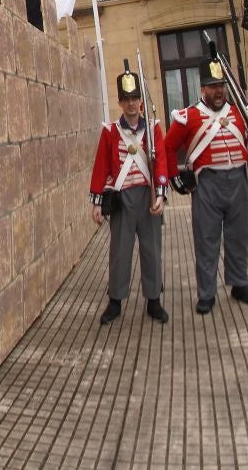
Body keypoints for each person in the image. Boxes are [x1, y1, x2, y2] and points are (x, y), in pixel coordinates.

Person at [162, 57, 248, 315]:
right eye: (212, 86)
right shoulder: (187, 116)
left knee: (239, 236)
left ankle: (239, 282)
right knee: (207, 240)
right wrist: (174, 178)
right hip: (207, 184)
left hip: (237, 180)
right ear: (202, 89)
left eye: (221, 85)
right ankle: (207, 293)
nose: (218, 90)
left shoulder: (238, 113)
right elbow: (167, 147)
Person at [88, 68, 169, 325]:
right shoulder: (110, 131)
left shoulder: (153, 128)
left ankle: (153, 300)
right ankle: (115, 300)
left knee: (151, 250)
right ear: (120, 102)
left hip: (147, 196)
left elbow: (162, 163)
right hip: (122, 199)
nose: (131, 103)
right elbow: (101, 166)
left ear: (140, 101)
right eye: (127, 99)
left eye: (135, 98)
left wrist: (162, 195)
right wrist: (97, 202)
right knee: (119, 252)